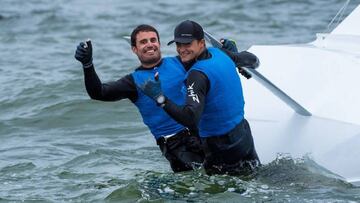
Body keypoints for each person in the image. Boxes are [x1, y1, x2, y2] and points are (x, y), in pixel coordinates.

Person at [74, 24, 204, 172]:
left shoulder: (181, 62)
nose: (149, 44)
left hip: (201, 131)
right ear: (134, 49)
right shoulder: (133, 82)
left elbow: (210, 63)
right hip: (175, 145)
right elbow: (98, 93)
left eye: (153, 40)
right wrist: (87, 65)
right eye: (143, 42)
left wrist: (230, 53)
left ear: (159, 44)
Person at [139, 20, 261, 175]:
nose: (182, 49)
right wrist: (234, 56)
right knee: (254, 177)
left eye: (187, 44)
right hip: (243, 135)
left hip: (220, 147)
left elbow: (190, 118)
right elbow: (253, 60)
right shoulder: (221, 54)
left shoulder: (197, 76)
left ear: (201, 43)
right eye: (178, 45)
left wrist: (159, 98)